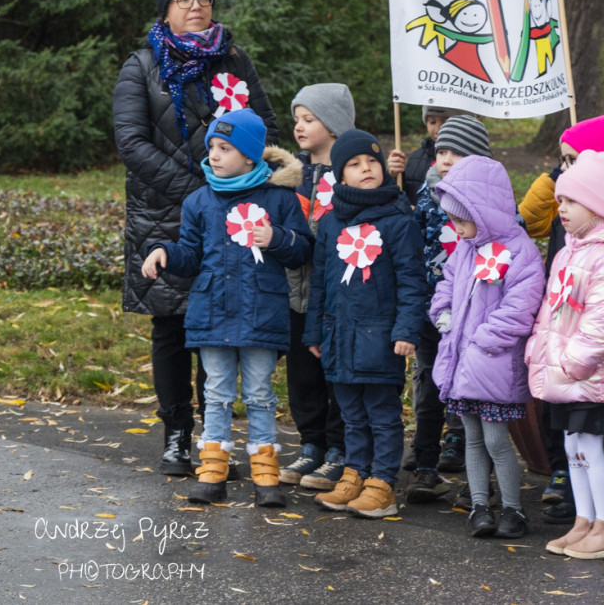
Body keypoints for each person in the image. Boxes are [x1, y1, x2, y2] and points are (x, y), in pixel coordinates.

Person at [113, 0, 278, 476]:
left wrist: (235, 185)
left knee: (222, 328)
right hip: (164, 214)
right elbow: (131, 141)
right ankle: (176, 435)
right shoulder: (142, 66)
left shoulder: (235, 60)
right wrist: (201, 189)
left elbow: (265, 126)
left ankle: (215, 440)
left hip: (233, 215)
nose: (196, 7)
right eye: (185, 0)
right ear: (166, 11)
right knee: (171, 328)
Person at [140, 108, 311, 508]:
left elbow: (302, 249)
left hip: (260, 315)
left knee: (259, 393)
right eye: (212, 147)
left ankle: (265, 470)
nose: (213, 155)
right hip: (212, 314)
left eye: (224, 148)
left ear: (250, 157)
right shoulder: (200, 201)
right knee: (216, 392)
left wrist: (278, 238)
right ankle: (212, 468)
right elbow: (190, 256)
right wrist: (164, 250)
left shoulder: (281, 199)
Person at [518, 110, 604, 529]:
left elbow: (601, 320)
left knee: (598, 450)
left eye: (571, 160)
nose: (562, 171)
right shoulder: (570, 247)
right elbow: (552, 311)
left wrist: (571, 363)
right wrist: (540, 351)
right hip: (566, 369)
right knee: (576, 450)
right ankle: (586, 521)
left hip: (589, 371)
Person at [304, 130, 427, 518]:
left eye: (372, 162)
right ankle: (355, 473)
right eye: (355, 165)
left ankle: (383, 483)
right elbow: (320, 282)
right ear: (340, 176)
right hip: (337, 336)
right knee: (351, 414)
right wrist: (314, 331)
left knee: (382, 414)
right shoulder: (330, 224)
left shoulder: (398, 219)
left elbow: (412, 280)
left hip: (379, 337)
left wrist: (407, 330)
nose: (366, 169)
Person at [429, 155, 545, 538]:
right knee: (472, 438)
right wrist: (443, 312)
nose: (456, 228)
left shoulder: (521, 251)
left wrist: (479, 339)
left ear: (485, 211)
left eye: (462, 219)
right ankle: (480, 505)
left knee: (497, 439)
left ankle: (513, 509)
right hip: (463, 361)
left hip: (491, 362)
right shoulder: (465, 248)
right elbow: (447, 282)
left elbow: (519, 307)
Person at [404, 115, 492, 504]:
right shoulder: (427, 196)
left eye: (457, 153)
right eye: (441, 151)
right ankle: (425, 467)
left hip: (474, 312)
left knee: (474, 392)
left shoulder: (493, 201)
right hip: (431, 308)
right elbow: (411, 248)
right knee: (428, 386)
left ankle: (480, 482)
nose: (445, 159)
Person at [278, 83, 355, 491]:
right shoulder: (291, 178)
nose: (299, 127)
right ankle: (311, 446)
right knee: (303, 376)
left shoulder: (352, 175)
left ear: (335, 124)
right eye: (296, 120)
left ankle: (340, 450)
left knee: (335, 375)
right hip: (296, 294)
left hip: (338, 298)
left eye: (309, 119)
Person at [388, 105, 473, 207]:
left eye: (445, 121)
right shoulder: (416, 158)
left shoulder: (474, 162)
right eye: (432, 122)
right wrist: (395, 176)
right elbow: (404, 195)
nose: (437, 129)